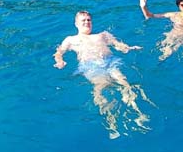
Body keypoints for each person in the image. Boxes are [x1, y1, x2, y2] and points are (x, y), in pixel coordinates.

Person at [53, 10, 149, 138]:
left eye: (89, 20)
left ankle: (138, 113)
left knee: (125, 83)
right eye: (83, 20)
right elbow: (59, 52)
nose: (87, 22)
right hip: (91, 66)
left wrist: (129, 48)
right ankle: (111, 121)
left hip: (110, 61)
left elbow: (118, 45)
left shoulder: (103, 35)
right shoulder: (71, 39)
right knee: (101, 87)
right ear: (76, 23)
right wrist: (60, 61)